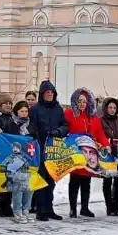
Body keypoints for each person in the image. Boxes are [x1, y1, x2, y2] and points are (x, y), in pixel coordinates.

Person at [64, 87, 108, 218]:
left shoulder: (93, 118)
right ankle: (72, 209)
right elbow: (65, 130)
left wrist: (106, 144)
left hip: (90, 154)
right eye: (79, 101)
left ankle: (84, 207)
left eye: (84, 101)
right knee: (74, 181)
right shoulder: (69, 114)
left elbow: (100, 133)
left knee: (86, 182)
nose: (82, 104)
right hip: (75, 153)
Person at [28, 81, 67, 221]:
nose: (49, 95)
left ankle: (49, 209)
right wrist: (38, 138)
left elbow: (65, 125)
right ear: (42, 94)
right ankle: (40, 210)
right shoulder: (36, 109)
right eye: (46, 93)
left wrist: (58, 132)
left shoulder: (58, 109)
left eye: (51, 92)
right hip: (39, 149)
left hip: (54, 150)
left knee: (51, 181)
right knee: (41, 180)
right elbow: (31, 126)